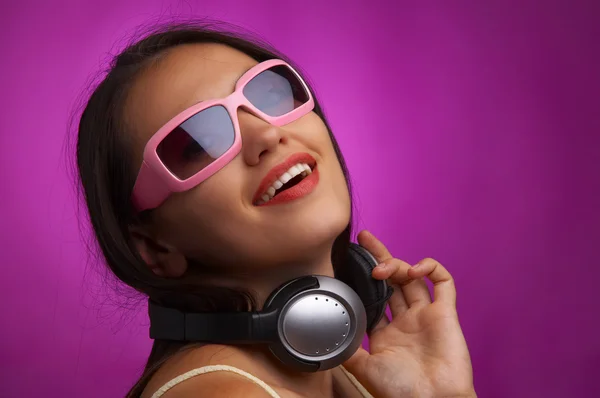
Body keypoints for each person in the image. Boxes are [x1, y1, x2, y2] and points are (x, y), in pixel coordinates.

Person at [75, 19, 476, 398]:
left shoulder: (343, 377)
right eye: (200, 141)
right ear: (156, 248)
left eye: (269, 92)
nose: (267, 132)